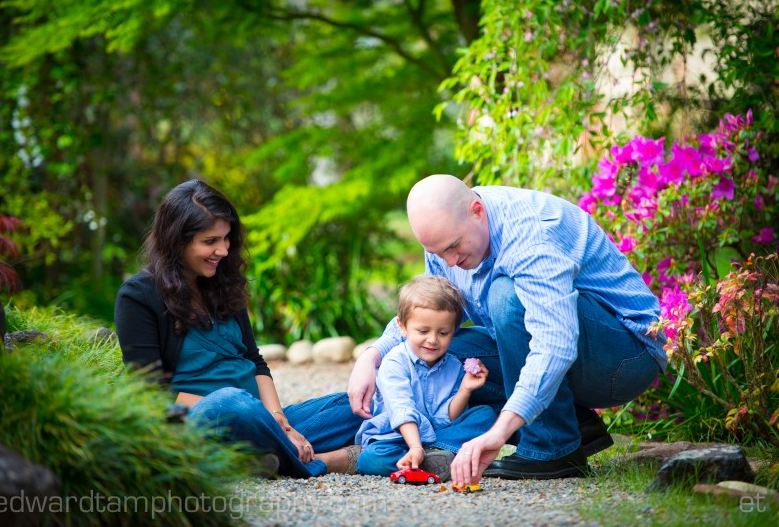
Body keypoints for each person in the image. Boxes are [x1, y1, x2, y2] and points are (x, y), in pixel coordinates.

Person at [347, 174, 667, 485]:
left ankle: (550, 449)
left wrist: (498, 433)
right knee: (436, 348)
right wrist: (372, 356)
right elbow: (427, 311)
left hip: (625, 358)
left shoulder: (528, 235)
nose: (450, 261)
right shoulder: (449, 242)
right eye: (437, 253)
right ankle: (572, 426)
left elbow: (555, 342)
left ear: (477, 211)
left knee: (506, 297)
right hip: (577, 358)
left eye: (454, 247)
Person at [115, 179, 363, 478]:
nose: (222, 250)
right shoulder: (138, 296)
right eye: (210, 241)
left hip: (260, 419)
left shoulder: (224, 283)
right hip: (204, 420)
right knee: (231, 402)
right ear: (176, 240)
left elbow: (256, 362)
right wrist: (248, 412)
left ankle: (258, 456)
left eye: (226, 238)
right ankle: (328, 461)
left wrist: (280, 422)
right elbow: (152, 392)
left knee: (362, 403)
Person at [355, 275, 497, 481]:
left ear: (454, 332)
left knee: (485, 415)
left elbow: (447, 417)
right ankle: (442, 457)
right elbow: (402, 409)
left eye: (443, 333)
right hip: (398, 438)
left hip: (438, 434)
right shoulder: (394, 362)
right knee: (370, 459)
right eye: (423, 331)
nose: (432, 340)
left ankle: (433, 456)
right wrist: (414, 446)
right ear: (402, 327)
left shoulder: (453, 365)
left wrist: (466, 389)